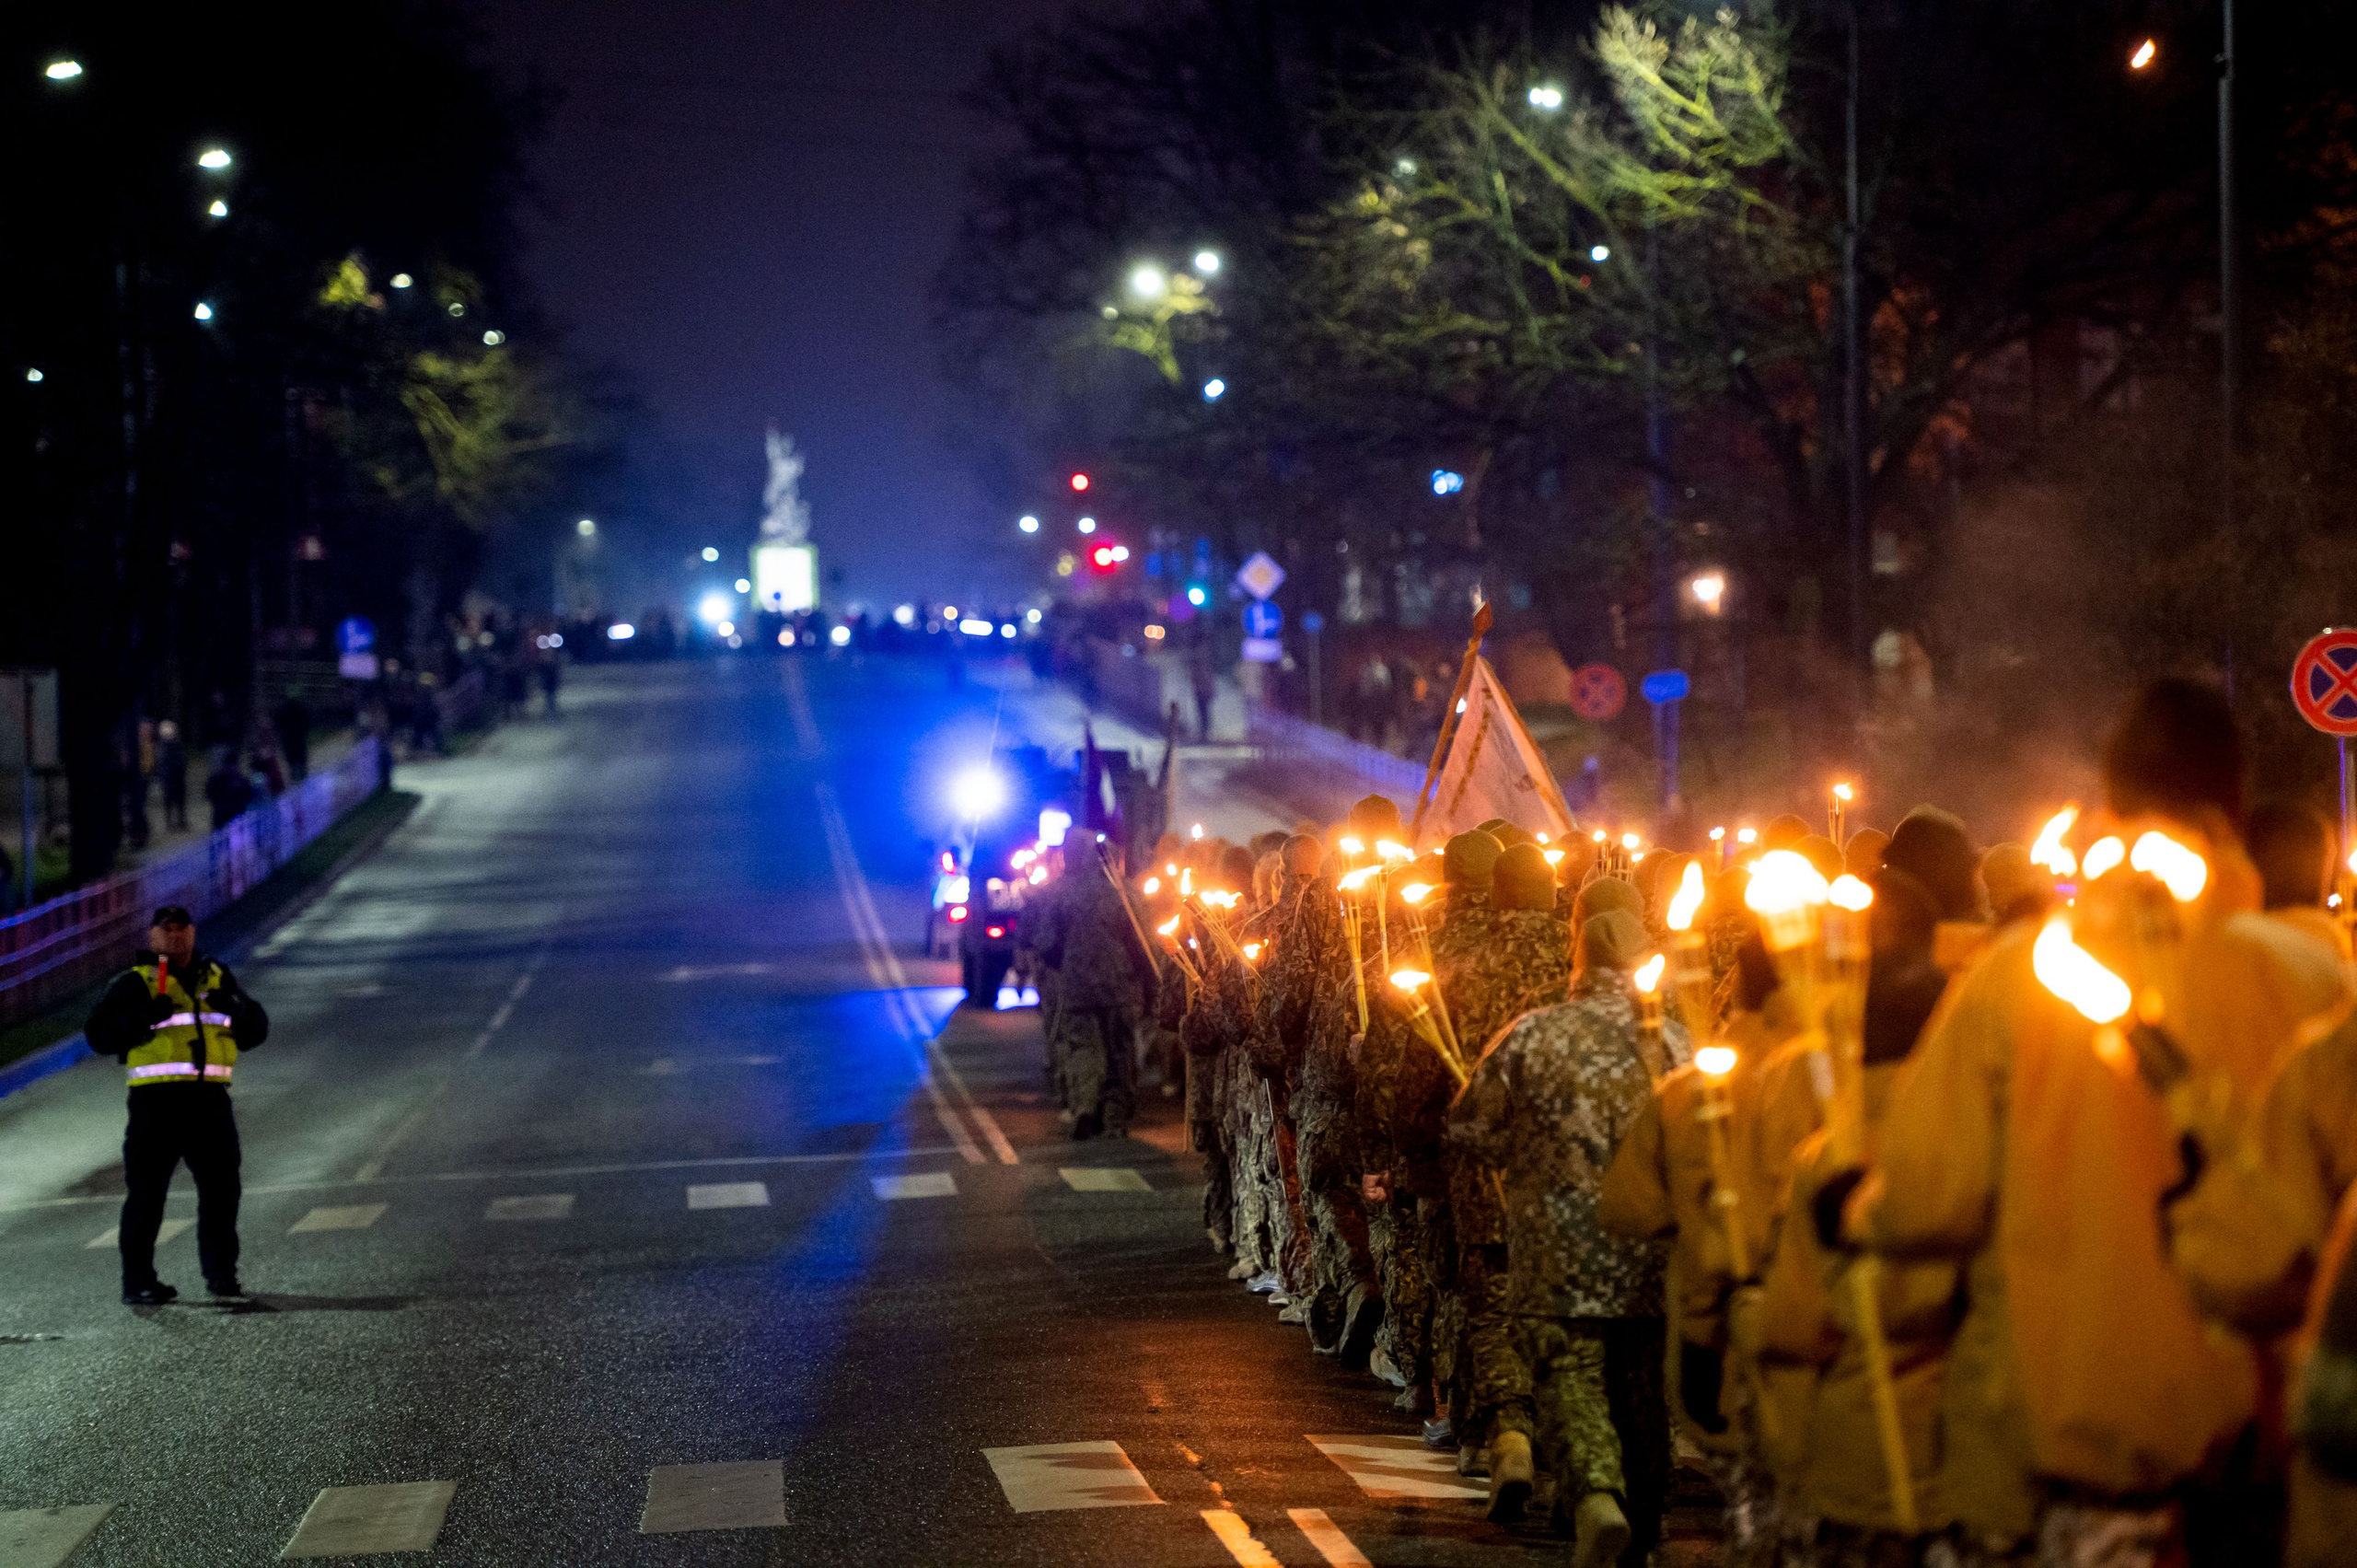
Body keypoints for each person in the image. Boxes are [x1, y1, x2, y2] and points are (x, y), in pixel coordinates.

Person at [1829, 679, 2349, 1567]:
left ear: (2113, 806)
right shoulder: (2320, 980)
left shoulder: (2015, 981)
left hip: (2068, 1454)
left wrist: (1846, 1205)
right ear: (2233, 802)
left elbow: (1927, 1199)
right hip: (2267, 1462)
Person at [1451, 908, 1689, 1564]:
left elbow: (1469, 1124)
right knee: (1643, 1384)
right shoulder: (1677, 1044)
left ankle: (1594, 1495)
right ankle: (1646, 1518)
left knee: (1571, 1373)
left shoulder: (1533, 1035)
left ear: (1577, 962)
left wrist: (1521, 1153)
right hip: (1652, 1246)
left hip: (1558, 1246)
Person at [83, 905, 270, 1305]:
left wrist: (236, 1010)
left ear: (193, 933)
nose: (175, 936)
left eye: (181, 928)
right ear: (152, 937)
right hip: (157, 1105)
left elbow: (256, 1030)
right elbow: (99, 1036)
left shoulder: (216, 977)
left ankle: (222, 1277)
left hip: (209, 1102)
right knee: (147, 1196)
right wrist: (143, 1018)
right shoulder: (135, 983)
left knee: (222, 1191)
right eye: (166, 930)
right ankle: (138, 1282)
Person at [203, 747, 253, 830]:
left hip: (221, 815)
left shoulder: (218, 778)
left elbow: (210, 793)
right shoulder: (241, 779)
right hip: (237, 816)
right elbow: (248, 795)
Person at [271, 691, 311, 781]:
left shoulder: (284, 710)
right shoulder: (298, 708)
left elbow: (278, 722)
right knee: (298, 756)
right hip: (295, 736)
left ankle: (298, 775)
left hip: (291, 737)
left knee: (294, 756)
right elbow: (307, 721)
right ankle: (300, 774)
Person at [157, 720, 188, 830]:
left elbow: (181, 761)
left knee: (179, 800)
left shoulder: (175, 745)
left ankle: (180, 820)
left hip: (176, 777)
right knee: (170, 800)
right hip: (169, 778)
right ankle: (171, 822)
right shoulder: (164, 747)